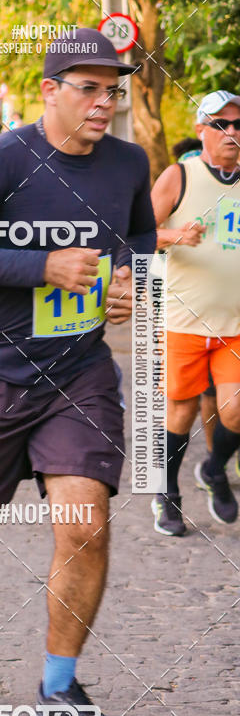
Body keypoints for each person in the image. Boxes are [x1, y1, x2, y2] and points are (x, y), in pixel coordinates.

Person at [0, 28, 156, 716]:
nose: (104, 104)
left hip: (79, 373)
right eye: (88, 89)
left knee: (85, 525)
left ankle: (59, 686)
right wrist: (42, 267)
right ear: (48, 90)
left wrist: (128, 286)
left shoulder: (129, 163)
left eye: (113, 91)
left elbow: (140, 244)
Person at [150, 90, 240, 536]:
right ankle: (167, 495)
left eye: (239, 125)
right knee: (181, 414)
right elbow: (136, 233)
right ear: (202, 130)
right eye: (222, 124)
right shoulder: (178, 176)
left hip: (236, 325)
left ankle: (214, 468)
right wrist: (172, 235)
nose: (233, 132)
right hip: (184, 321)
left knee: (236, 410)